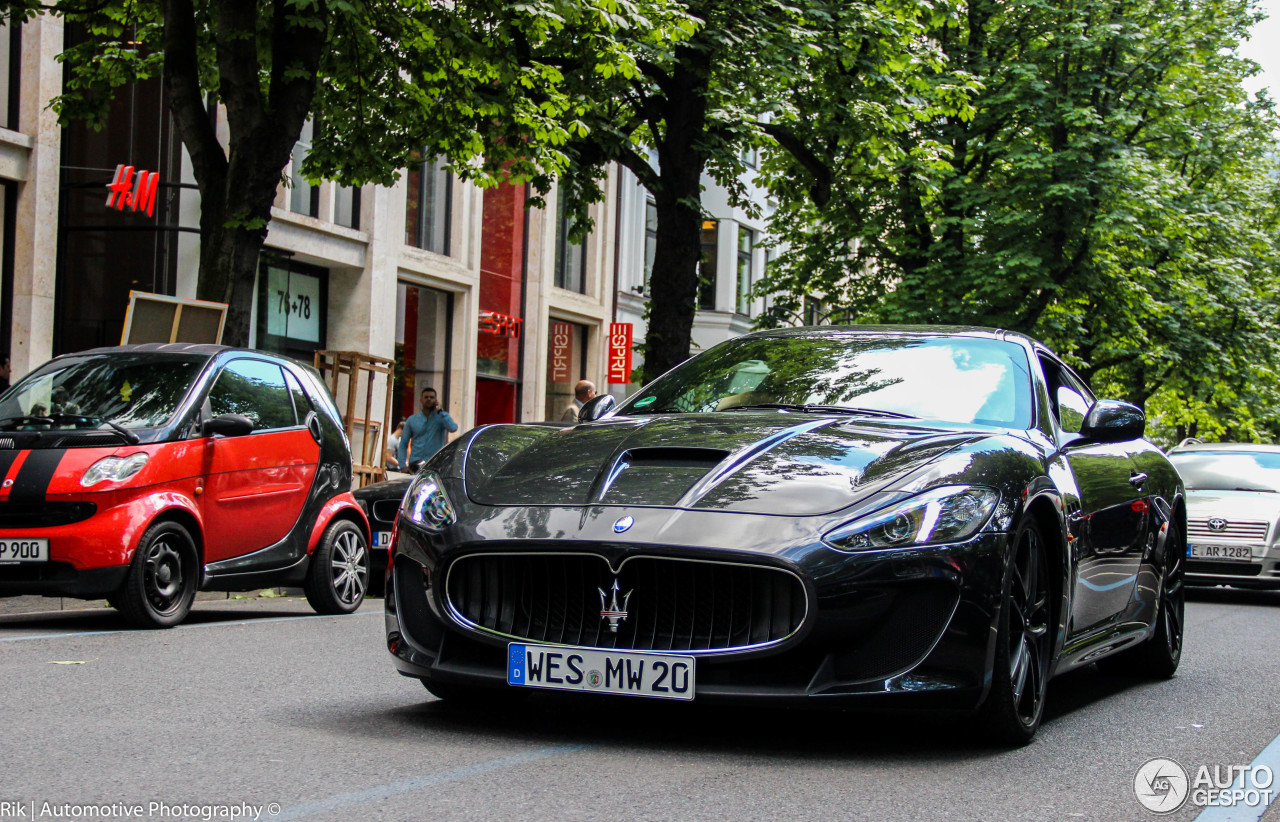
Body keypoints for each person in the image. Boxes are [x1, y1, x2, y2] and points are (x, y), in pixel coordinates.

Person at [397, 387, 458, 469]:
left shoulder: (441, 418)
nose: (429, 399)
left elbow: (453, 428)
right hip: (416, 464)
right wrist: (402, 465)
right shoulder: (412, 420)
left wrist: (441, 411)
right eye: (426, 397)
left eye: (432, 397)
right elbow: (403, 444)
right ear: (421, 400)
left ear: (436, 400)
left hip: (435, 463)